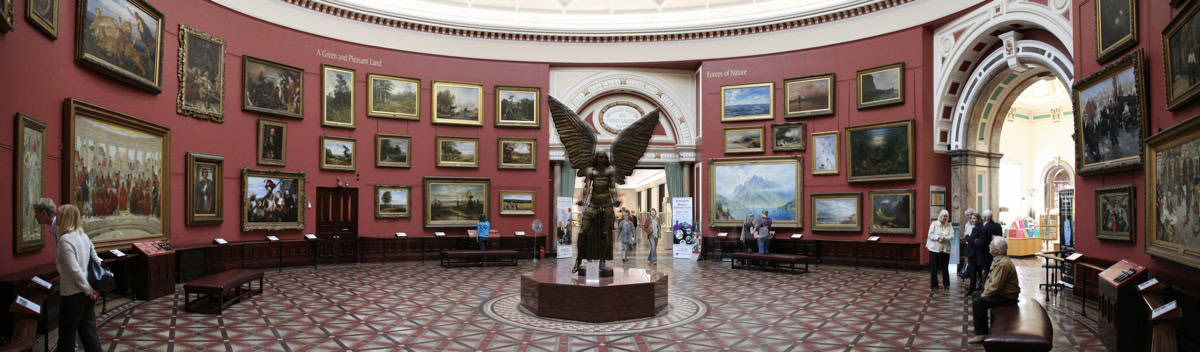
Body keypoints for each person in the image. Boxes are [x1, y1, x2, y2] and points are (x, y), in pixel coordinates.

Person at [55, 204, 104, 352]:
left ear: (65, 218)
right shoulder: (84, 236)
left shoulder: (65, 240)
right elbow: (96, 260)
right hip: (86, 293)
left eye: (59, 214)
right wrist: (92, 289)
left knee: (66, 337)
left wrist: (89, 290)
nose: (56, 218)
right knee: (89, 333)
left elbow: (75, 270)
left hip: (73, 294)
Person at [968, 237, 1021, 344]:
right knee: (975, 295)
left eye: (991, 244)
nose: (989, 245)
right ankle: (982, 326)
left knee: (979, 302)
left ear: (997, 250)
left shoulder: (1003, 264)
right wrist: (983, 291)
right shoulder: (998, 259)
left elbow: (995, 286)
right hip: (1001, 293)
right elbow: (991, 282)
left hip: (1008, 297)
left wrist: (984, 294)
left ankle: (981, 334)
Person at [968, 210, 1002, 296]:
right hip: (998, 252)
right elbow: (1000, 239)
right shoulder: (998, 225)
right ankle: (994, 289)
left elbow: (981, 243)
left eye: (983, 217)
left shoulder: (985, 228)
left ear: (986, 217)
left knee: (986, 272)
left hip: (986, 253)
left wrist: (974, 240)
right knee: (995, 272)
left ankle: (987, 291)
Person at [927, 210, 952, 291]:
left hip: (945, 249)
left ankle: (946, 285)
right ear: (940, 216)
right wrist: (938, 237)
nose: (945, 218)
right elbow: (930, 235)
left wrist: (945, 238)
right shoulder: (934, 224)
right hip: (934, 249)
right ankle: (934, 286)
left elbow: (952, 236)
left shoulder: (949, 225)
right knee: (934, 268)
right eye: (943, 216)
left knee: (945, 268)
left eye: (946, 216)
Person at [960, 208, 978, 279]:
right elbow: (966, 234)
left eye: (971, 214)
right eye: (968, 215)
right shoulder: (967, 224)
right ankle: (970, 279)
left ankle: (977, 283)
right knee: (968, 263)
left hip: (975, 247)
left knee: (975, 265)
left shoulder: (976, 224)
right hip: (969, 246)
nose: (969, 216)